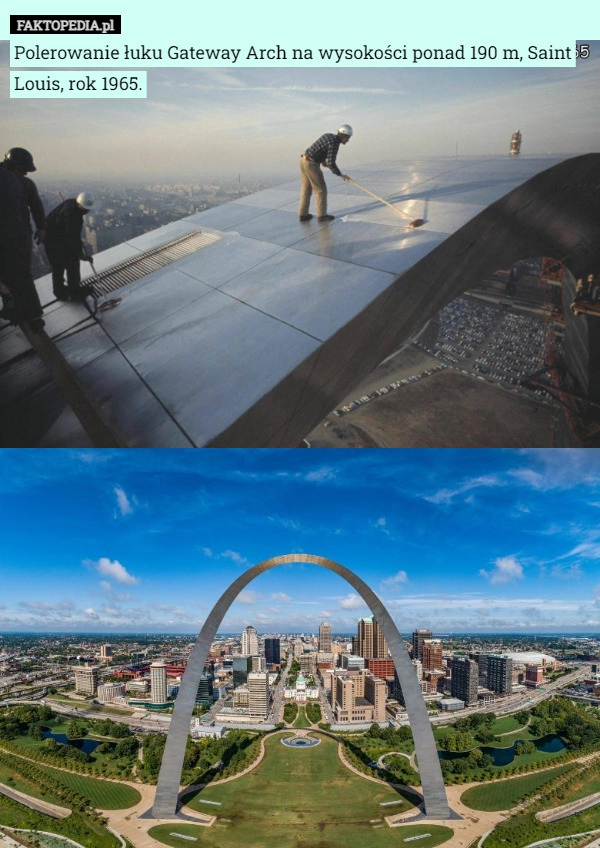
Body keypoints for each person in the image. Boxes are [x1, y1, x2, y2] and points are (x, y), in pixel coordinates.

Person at [0, 165, 45, 332]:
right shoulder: (17, 182)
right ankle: (33, 316)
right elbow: (36, 207)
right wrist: (41, 227)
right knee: (22, 275)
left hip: (9, 236)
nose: (25, 173)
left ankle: (14, 309)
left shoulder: (15, 180)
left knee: (7, 276)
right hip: (18, 234)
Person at [44, 192, 95, 301]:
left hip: (49, 238)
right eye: (86, 209)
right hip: (57, 241)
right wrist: (82, 256)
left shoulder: (71, 202)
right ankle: (75, 293)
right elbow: (73, 240)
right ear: (80, 205)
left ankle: (60, 292)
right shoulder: (75, 217)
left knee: (57, 266)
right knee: (72, 265)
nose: (87, 211)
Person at [299, 124, 353, 223]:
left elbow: (320, 150)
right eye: (347, 138)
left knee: (306, 189)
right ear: (343, 137)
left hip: (304, 160)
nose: (348, 140)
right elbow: (331, 162)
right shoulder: (335, 144)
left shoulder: (328, 136)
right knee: (320, 190)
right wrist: (340, 174)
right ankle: (322, 215)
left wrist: (323, 162)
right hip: (311, 164)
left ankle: (303, 215)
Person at [1, 148, 46, 245]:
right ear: (11, 166)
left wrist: (41, 227)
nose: (25, 173)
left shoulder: (26, 184)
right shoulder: (25, 184)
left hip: (18, 236)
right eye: (23, 170)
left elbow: (36, 207)